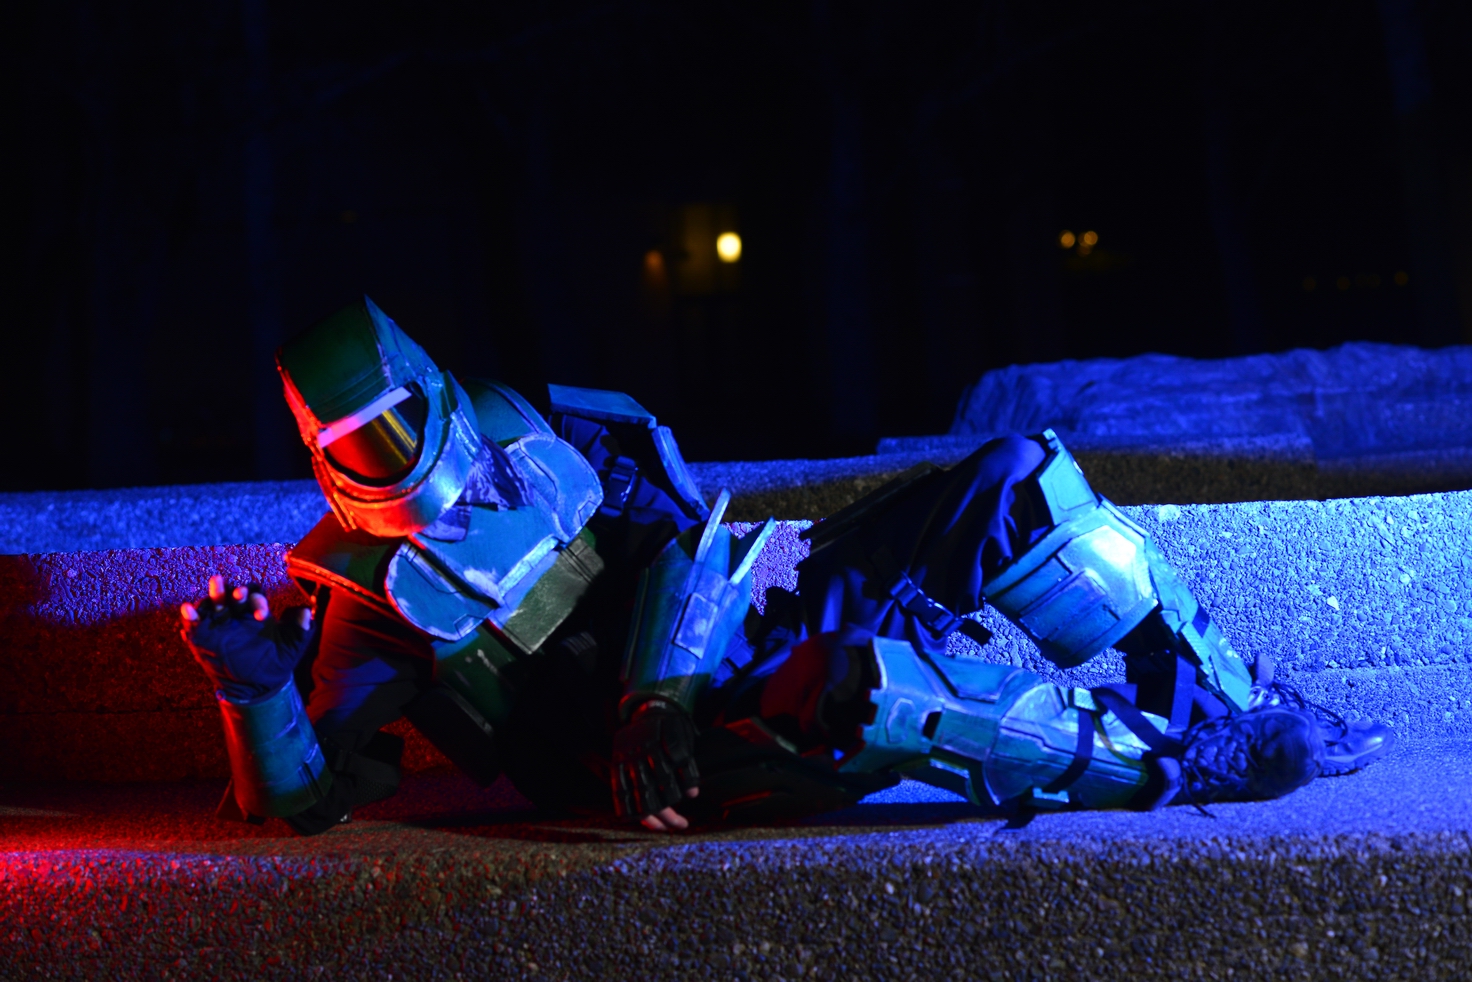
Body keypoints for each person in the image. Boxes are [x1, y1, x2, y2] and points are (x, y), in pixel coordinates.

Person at [181, 297, 1393, 834]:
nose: (389, 455)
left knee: (1016, 475)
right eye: (355, 442)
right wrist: (254, 689)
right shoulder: (370, 593)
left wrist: (664, 686)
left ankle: (1228, 701)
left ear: (429, 381)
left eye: (397, 419)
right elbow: (302, 799)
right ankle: (1177, 766)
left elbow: (686, 536)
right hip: (669, 764)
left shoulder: (545, 426)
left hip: (730, 646)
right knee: (869, 687)